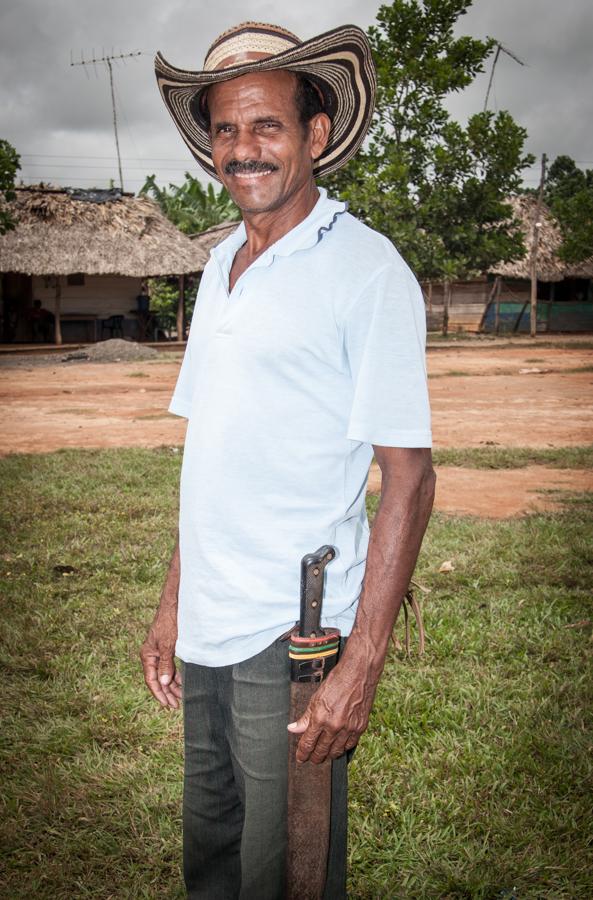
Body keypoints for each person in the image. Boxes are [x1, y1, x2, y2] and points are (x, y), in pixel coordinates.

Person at [141, 21, 435, 899]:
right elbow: (215, 451)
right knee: (214, 853)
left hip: (292, 634)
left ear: (314, 134)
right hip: (209, 627)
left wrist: (361, 663)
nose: (242, 150)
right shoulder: (220, 263)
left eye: (266, 125)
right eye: (226, 130)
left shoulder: (365, 270)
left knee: (287, 872)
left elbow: (409, 479)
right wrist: (172, 604)